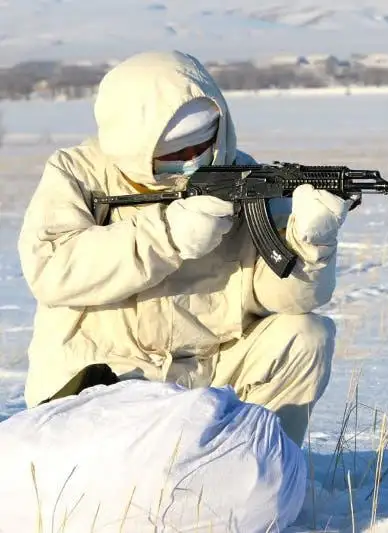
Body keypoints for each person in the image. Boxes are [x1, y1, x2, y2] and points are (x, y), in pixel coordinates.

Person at [16, 50, 351, 447]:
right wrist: (167, 236)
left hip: (206, 376)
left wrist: (310, 244)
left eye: (203, 145)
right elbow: (53, 271)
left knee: (304, 334)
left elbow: (286, 297)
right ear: (136, 146)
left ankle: (264, 475)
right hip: (107, 377)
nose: (193, 163)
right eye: (175, 155)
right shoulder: (80, 174)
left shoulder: (241, 175)